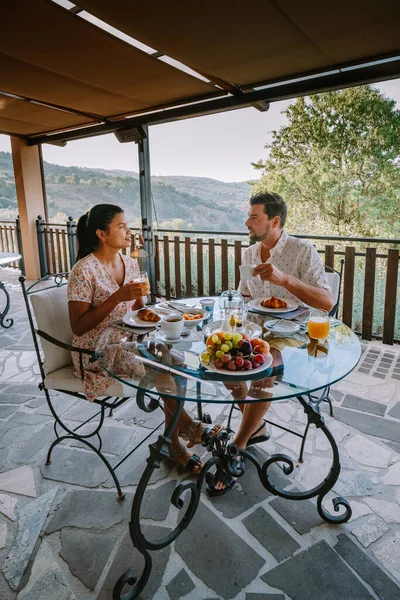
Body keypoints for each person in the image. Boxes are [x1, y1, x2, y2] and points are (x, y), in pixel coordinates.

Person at [68, 203, 220, 473]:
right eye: (122, 226)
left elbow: (138, 310)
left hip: (129, 340)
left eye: (128, 224)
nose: (129, 231)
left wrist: (161, 314)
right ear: (102, 234)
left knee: (178, 361)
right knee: (166, 370)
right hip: (96, 350)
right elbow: (78, 327)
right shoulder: (83, 270)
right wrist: (118, 297)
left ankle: (175, 440)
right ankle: (184, 431)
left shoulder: (130, 263)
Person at [209, 191, 333, 494]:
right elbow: (245, 297)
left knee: (263, 368)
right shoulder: (250, 254)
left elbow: (327, 303)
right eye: (249, 216)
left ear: (274, 221)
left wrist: (285, 280)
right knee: (223, 362)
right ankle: (257, 427)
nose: (247, 222)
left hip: (295, 331)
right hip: (256, 328)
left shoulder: (303, 251)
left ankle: (237, 446)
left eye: (254, 217)